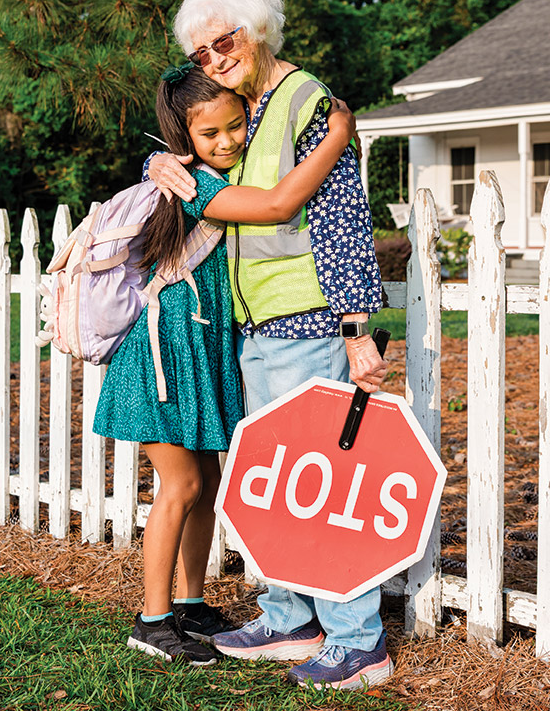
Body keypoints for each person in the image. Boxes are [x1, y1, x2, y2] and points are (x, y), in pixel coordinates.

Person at [144, 0, 392, 690]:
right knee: (279, 484)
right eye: (201, 54)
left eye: (225, 41)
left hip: (308, 320)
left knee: (321, 485)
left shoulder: (308, 102)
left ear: (257, 30)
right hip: (263, 327)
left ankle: (356, 641)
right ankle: (290, 616)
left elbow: (342, 216)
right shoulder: (243, 109)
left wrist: (354, 328)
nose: (215, 60)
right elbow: (196, 166)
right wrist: (154, 161)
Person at [93, 64, 356, 666]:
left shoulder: (208, 170)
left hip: (198, 348)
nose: (230, 141)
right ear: (185, 141)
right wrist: (335, 133)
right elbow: (277, 204)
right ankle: (151, 620)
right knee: (181, 485)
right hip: (162, 354)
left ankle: (188, 604)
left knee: (207, 484)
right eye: (211, 135)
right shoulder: (196, 183)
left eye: (237, 125)